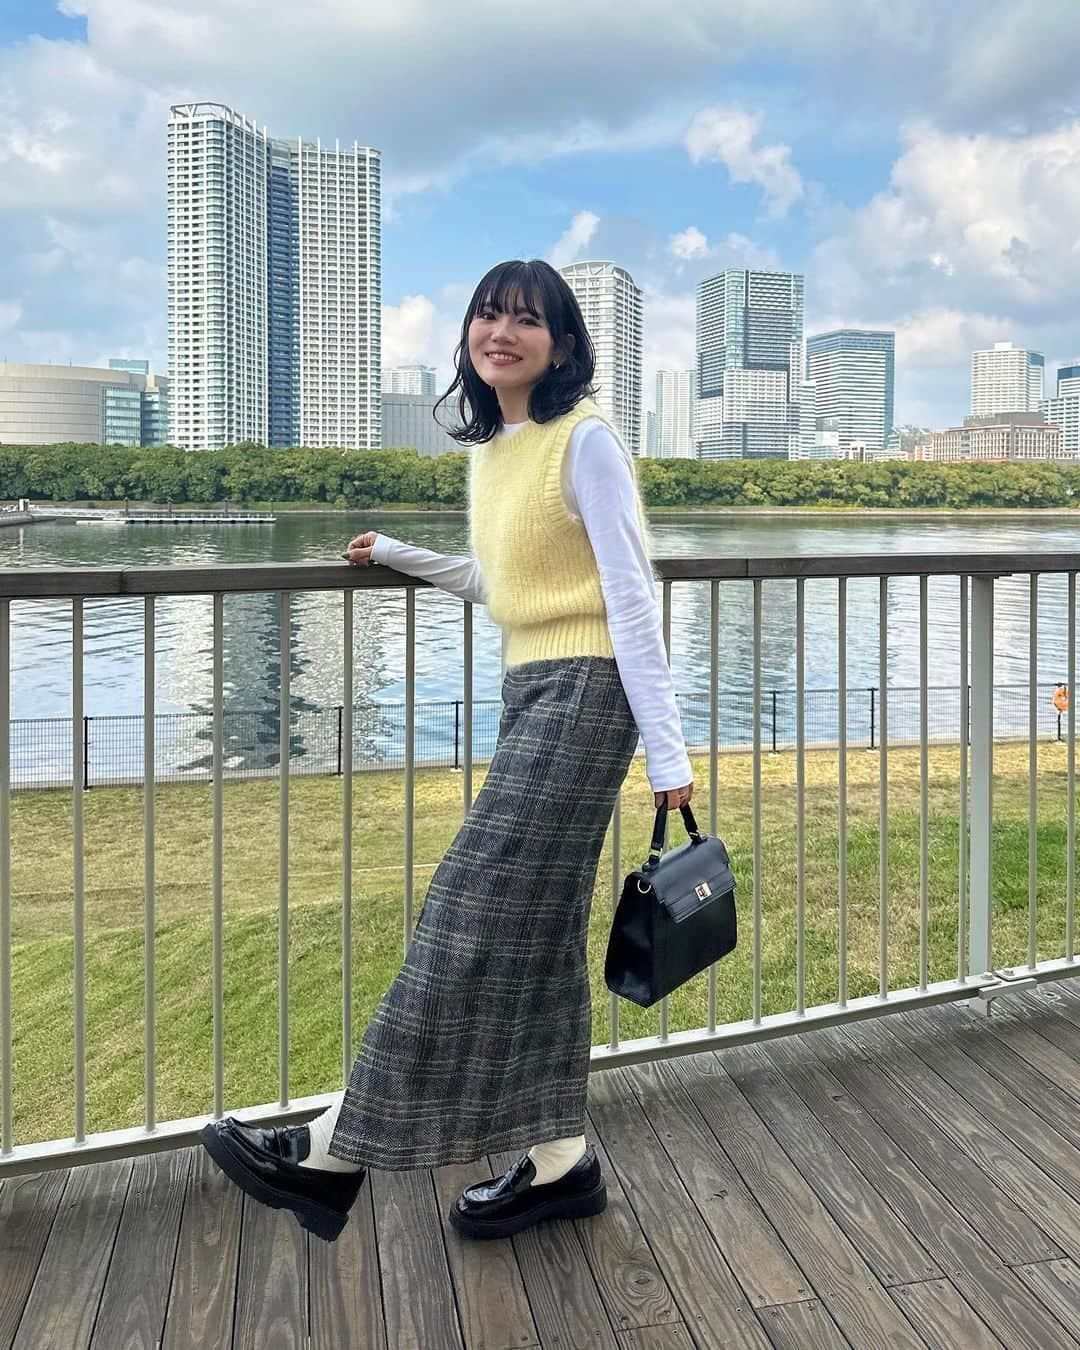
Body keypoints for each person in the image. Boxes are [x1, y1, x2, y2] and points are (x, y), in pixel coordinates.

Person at [199, 258, 694, 1245]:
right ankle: (562, 1163)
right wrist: (394, 555)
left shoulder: (585, 439)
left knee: (465, 913)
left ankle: (334, 1151)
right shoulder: (497, 448)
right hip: (534, 689)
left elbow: (631, 595)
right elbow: (499, 578)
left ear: (561, 344)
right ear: (469, 335)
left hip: (590, 695)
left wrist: (668, 754)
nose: (501, 331)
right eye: (487, 315)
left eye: (527, 320)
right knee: (540, 936)